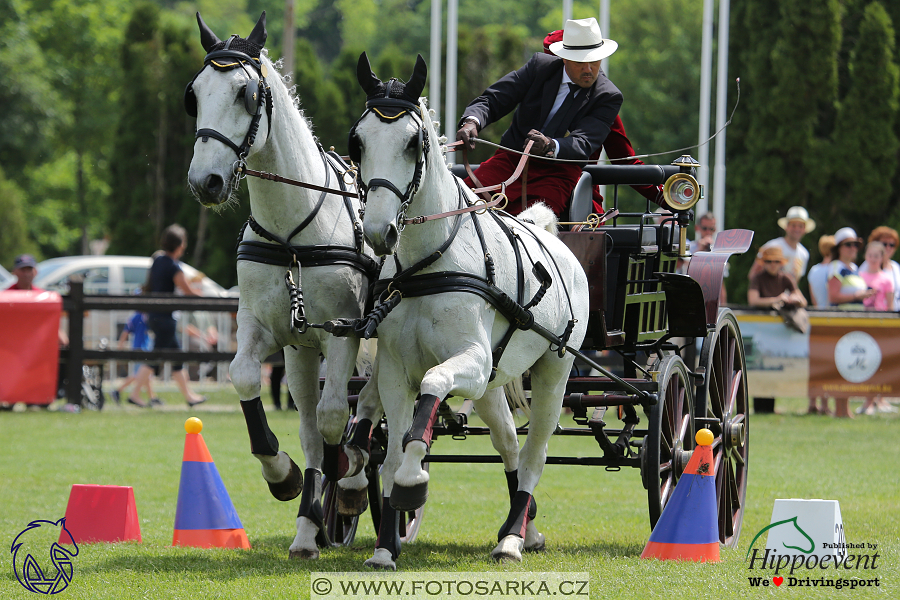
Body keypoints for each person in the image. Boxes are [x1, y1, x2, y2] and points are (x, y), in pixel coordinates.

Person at [457, 17, 623, 216]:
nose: (588, 69)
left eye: (594, 60)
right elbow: (494, 100)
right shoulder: (539, 66)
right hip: (511, 160)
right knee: (461, 204)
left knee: (536, 226)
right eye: (580, 61)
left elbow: (584, 142)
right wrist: (471, 122)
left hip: (558, 174)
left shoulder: (608, 96)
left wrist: (550, 146)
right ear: (565, 58)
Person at [147, 225, 206, 407]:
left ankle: (189, 396)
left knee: (176, 357)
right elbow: (187, 290)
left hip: (155, 315)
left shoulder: (158, 259)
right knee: (154, 359)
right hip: (165, 317)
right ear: (180, 245)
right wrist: (204, 295)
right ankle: (133, 393)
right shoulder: (173, 265)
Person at [750, 206, 816, 285]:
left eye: (800, 226)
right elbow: (753, 274)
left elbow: (795, 282)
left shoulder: (804, 254)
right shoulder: (772, 246)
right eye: (793, 225)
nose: (797, 229)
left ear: (804, 229)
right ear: (786, 227)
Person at [112, 308, 158, 408]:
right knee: (140, 374)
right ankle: (117, 391)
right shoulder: (143, 316)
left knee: (146, 375)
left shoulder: (134, 317)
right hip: (142, 348)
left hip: (139, 347)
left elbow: (125, 332)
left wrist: (120, 345)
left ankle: (152, 398)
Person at [827, 227, 874, 309]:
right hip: (841, 318)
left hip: (856, 318)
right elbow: (833, 297)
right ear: (839, 248)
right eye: (848, 245)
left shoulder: (855, 268)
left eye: (855, 245)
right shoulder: (836, 267)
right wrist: (855, 296)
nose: (853, 248)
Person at [861, 226, 900, 310]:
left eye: (892, 245)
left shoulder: (896, 267)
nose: (888, 248)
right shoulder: (866, 266)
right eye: (884, 244)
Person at [806, 235, 836, 309]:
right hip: (835, 315)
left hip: (820, 315)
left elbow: (814, 301)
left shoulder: (813, 270)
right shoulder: (835, 269)